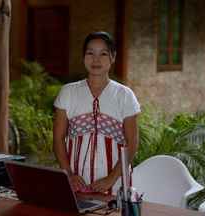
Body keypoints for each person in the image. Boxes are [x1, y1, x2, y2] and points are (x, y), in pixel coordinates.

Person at [53, 31, 140, 195]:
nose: (96, 59)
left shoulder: (124, 95)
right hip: (76, 183)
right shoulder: (68, 92)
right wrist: (69, 175)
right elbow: (58, 139)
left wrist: (111, 179)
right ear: (83, 57)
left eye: (103, 54)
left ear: (113, 57)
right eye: (90, 53)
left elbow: (132, 143)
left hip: (116, 185)